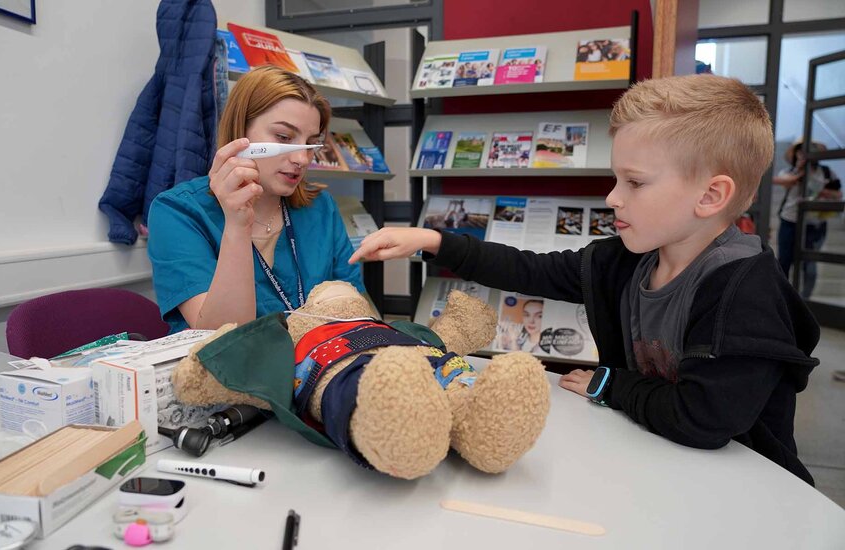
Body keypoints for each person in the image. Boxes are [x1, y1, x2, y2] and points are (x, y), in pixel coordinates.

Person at [349, 74, 820, 485]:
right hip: (658, 463)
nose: (613, 198)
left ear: (711, 195)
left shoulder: (744, 292)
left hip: (746, 489)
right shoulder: (625, 260)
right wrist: (433, 241)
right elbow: (530, 268)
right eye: (616, 179)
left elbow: (704, 418)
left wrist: (608, 385)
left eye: (634, 183)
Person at [148, 66, 364, 333]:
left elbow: (356, 313)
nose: (301, 159)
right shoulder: (177, 212)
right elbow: (223, 337)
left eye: (310, 143)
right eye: (284, 138)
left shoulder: (321, 208)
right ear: (241, 133)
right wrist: (237, 225)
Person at [773, 139, 842, 299]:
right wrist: (799, 170)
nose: (805, 154)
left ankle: (805, 301)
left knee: (809, 264)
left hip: (814, 225)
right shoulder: (789, 172)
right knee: (784, 261)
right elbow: (785, 183)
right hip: (789, 221)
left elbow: (838, 194)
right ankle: (780, 300)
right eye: (801, 151)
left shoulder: (826, 172)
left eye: (811, 150)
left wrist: (821, 192)